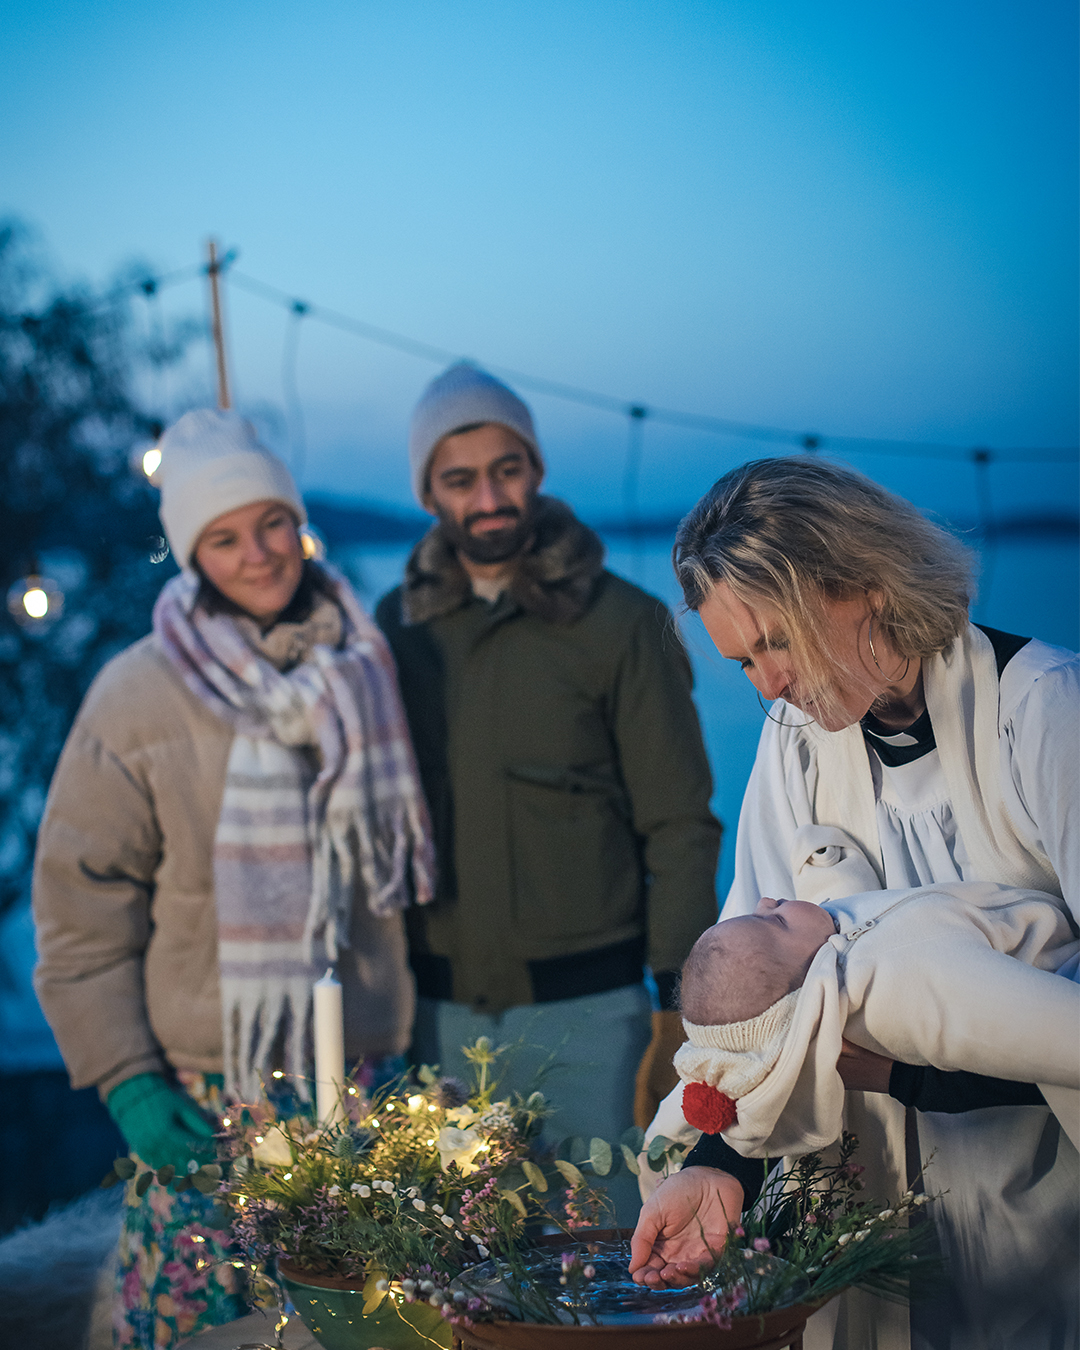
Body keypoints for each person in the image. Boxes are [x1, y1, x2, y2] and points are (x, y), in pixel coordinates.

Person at [629, 455, 1079, 1350]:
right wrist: (718, 1163)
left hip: (1040, 1192)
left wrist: (911, 1072)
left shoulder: (1042, 709)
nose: (767, 685)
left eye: (778, 642)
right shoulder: (794, 746)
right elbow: (751, 1002)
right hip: (867, 1200)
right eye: (742, 659)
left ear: (863, 584)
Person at [32, 409, 434, 1350]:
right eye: (223, 536)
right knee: (199, 1326)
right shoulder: (136, 693)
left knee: (365, 1329)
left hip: (362, 1079)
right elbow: (78, 904)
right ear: (189, 554)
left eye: (270, 523)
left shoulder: (366, 665)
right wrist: (126, 1080)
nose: (258, 554)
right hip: (212, 1093)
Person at [374, 362, 721, 1220]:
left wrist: (679, 1003)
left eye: (507, 469)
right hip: (440, 1019)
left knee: (602, 1256)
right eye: (460, 480)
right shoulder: (391, 631)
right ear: (430, 494)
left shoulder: (622, 624)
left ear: (535, 469)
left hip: (591, 1020)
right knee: (454, 1262)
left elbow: (680, 824)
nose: (487, 497)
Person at [672, 872, 1078, 1161]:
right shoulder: (887, 991)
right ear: (804, 991)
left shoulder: (830, 938)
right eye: (775, 921)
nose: (765, 901)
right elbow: (1044, 1034)